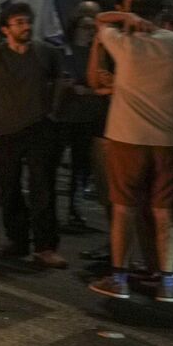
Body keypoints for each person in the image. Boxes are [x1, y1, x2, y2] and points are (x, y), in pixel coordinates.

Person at [86, 0, 173, 301]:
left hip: (127, 137)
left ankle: (119, 279)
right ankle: (167, 283)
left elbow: (100, 21)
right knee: (165, 213)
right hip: (169, 140)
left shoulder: (124, 43)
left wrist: (123, 18)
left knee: (124, 209)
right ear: (163, 16)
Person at [0, 2, 69, 268]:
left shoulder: (47, 52)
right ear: (5, 29)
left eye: (28, 21)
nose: (26, 27)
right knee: (10, 189)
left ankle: (46, 246)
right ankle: (16, 241)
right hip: (2, 130)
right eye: (19, 23)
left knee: (43, 189)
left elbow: (61, 81)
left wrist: (53, 112)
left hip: (39, 129)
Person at [59, 14, 109, 228]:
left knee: (81, 166)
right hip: (64, 115)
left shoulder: (97, 53)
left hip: (88, 116)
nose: (90, 31)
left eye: (93, 28)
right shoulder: (64, 52)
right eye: (86, 27)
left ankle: (75, 209)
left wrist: (88, 90)